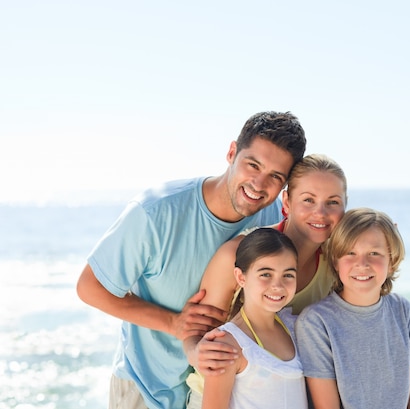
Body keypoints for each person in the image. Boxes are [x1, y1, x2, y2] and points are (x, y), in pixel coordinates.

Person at [75, 111, 307, 409]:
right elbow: (89, 287)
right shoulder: (155, 211)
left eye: (275, 177)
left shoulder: (273, 218)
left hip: (213, 390)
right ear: (232, 152)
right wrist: (174, 323)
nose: (259, 185)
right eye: (253, 165)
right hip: (148, 389)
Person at [185, 153, 347, 376]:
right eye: (308, 200)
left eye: (333, 202)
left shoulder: (339, 265)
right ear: (287, 202)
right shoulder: (238, 254)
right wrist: (195, 352)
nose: (320, 213)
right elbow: (197, 332)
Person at [295, 207, 410, 409]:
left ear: (391, 261)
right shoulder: (316, 322)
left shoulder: (402, 311)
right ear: (335, 260)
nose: (362, 264)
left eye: (374, 253)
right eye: (350, 253)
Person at [186, 227, 308, 409]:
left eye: (288, 275)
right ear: (241, 277)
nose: (278, 285)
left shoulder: (295, 328)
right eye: (266, 274)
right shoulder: (228, 344)